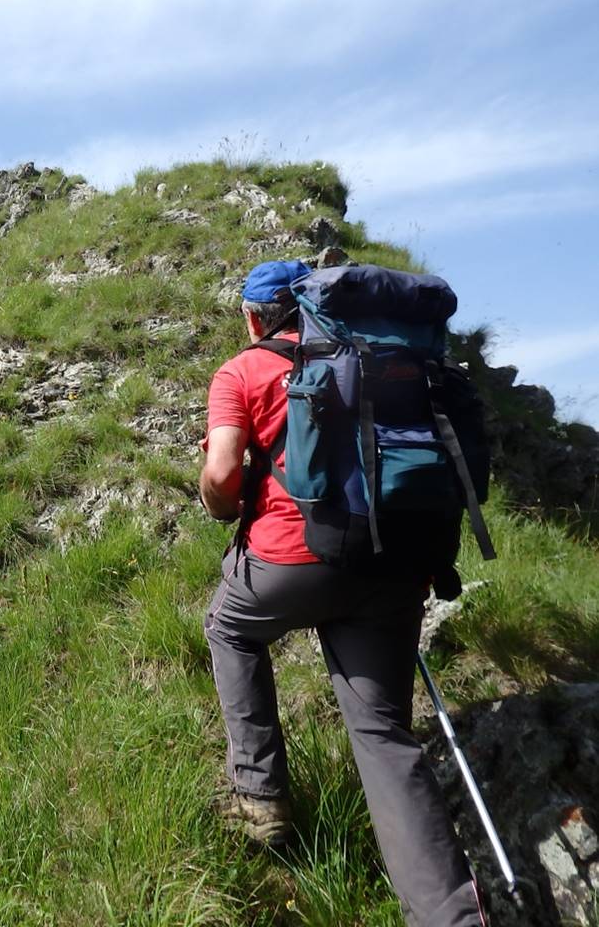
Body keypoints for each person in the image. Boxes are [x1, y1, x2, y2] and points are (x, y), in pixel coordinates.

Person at [199, 260, 485, 927]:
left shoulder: (243, 371)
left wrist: (218, 498)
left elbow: (221, 473)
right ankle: (450, 916)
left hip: (290, 563)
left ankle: (260, 795)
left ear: (253, 317)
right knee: (385, 735)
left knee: (229, 627)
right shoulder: (388, 359)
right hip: (394, 564)